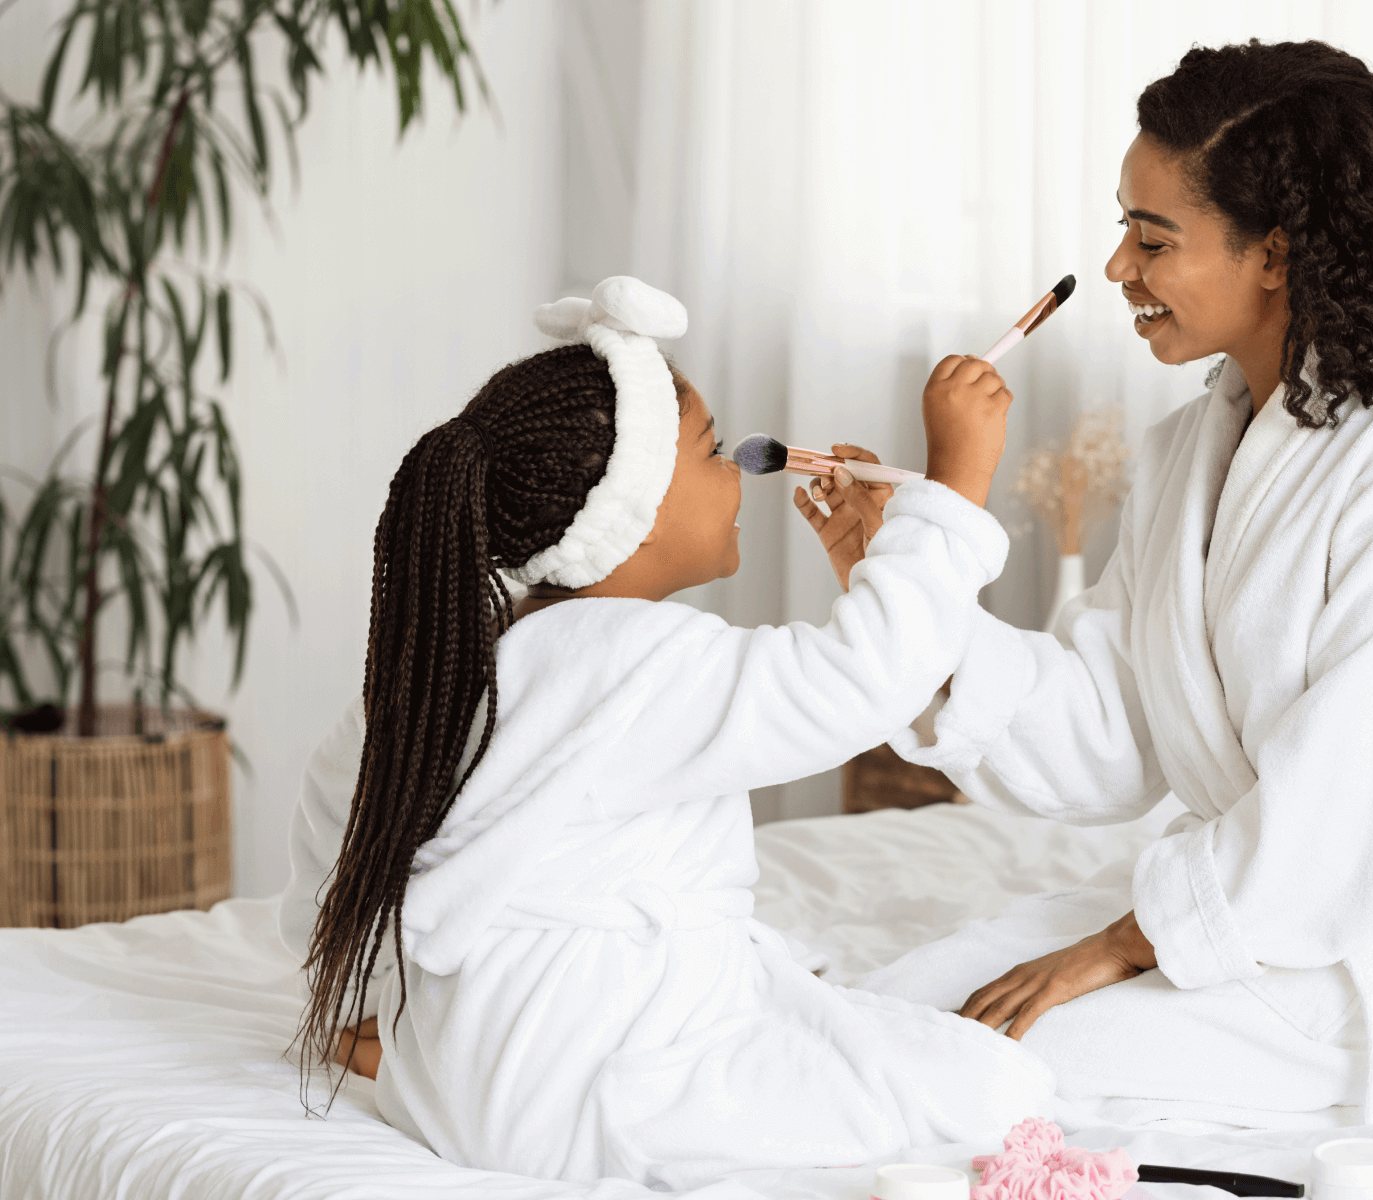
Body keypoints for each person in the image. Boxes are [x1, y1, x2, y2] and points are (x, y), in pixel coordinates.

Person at [852, 40, 1373, 1132]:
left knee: (976, 1070)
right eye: (1122, 229)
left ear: (1276, 256)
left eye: (1152, 238)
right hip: (1249, 907)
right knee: (891, 1006)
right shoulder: (1192, 448)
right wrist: (907, 605)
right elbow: (1111, 732)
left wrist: (1120, 943)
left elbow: (1358, 799)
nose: (1116, 268)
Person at [276, 277, 1054, 1187]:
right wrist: (954, 490)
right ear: (628, 509)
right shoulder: (641, 658)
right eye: (711, 450)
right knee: (995, 1086)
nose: (737, 473)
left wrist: (377, 1014)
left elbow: (335, 852)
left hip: (461, 1078)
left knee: (849, 1019)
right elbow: (860, 682)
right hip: (609, 1082)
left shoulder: (453, 659)